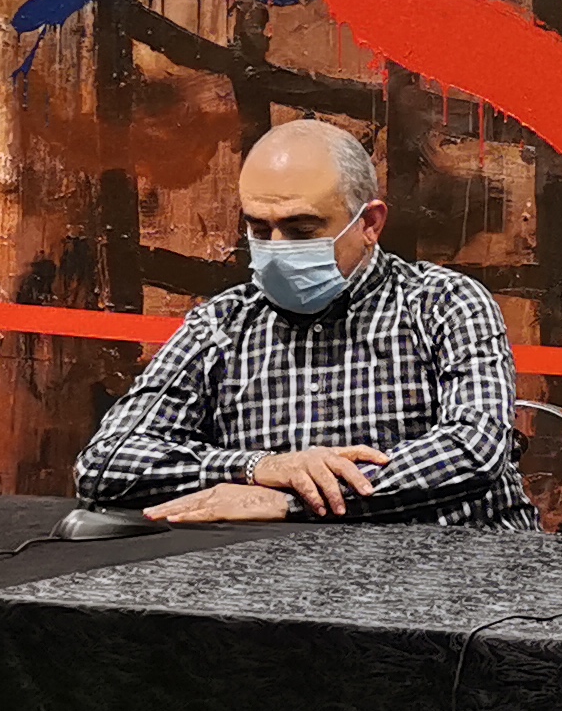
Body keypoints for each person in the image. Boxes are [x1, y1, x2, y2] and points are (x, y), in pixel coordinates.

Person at [73, 119, 535, 526]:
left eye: (301, 230)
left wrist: (290, 501)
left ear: (369, 224)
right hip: (279, 577)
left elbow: (475, 449)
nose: (276, 249)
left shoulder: (444, 303)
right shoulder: (222, 323)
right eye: (259, 229)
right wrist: (258, 467)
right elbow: (105, 463)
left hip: (454, 565)